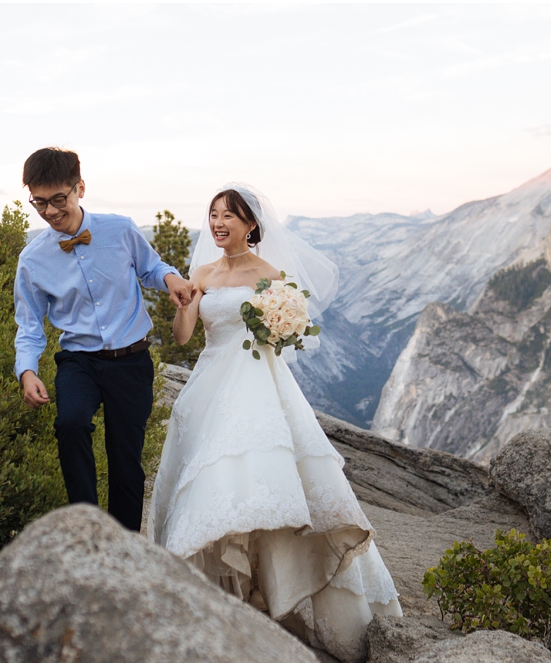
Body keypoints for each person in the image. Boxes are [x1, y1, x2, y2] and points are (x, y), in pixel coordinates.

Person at [147, 184, 402, 661]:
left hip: (257, 384)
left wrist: (279, 325)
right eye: (214, 214)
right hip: (209, 383)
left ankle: (268, 591)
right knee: (212, 481)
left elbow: (288, 336)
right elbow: (184, 339)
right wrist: (184, 305)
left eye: (230, 215)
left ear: (251, 225)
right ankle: (217, 598)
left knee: (260, 479)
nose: (219, 223)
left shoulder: (271, 274)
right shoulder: (200, 272)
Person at [13, 147, 193, 532]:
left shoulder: (120, 229)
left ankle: (124, 547)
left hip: (131, 360)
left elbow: (152, 267)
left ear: (79, 187)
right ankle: (86, 529)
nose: (49, 212)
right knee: (72, 424)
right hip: (79, 361)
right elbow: (28, 325)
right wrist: (27, 371)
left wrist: (171, 279)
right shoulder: (32, 260)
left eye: (58, 200)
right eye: (39, 202)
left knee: (126, 460)